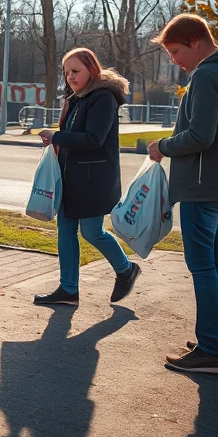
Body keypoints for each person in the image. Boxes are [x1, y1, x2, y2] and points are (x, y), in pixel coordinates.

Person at [148, 14, 218, 374]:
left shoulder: (207, 75)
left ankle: (210, 350)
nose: (174, 59)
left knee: (203, 266)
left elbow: (200, 137)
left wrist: (162, 145)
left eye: (176, 51)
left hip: (202, 185)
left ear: (196, 42)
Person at [33, 48, 141, 306]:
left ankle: (126, 269)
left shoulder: (102, 97)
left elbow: (94, 138)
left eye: (75, 71)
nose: (70, 77)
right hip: (71, 178)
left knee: (92, 232)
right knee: (65, 232)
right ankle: (68, 289)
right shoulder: (77, 97)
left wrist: (56, 136)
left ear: (92, 70)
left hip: (94, 181)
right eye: (66, 72)